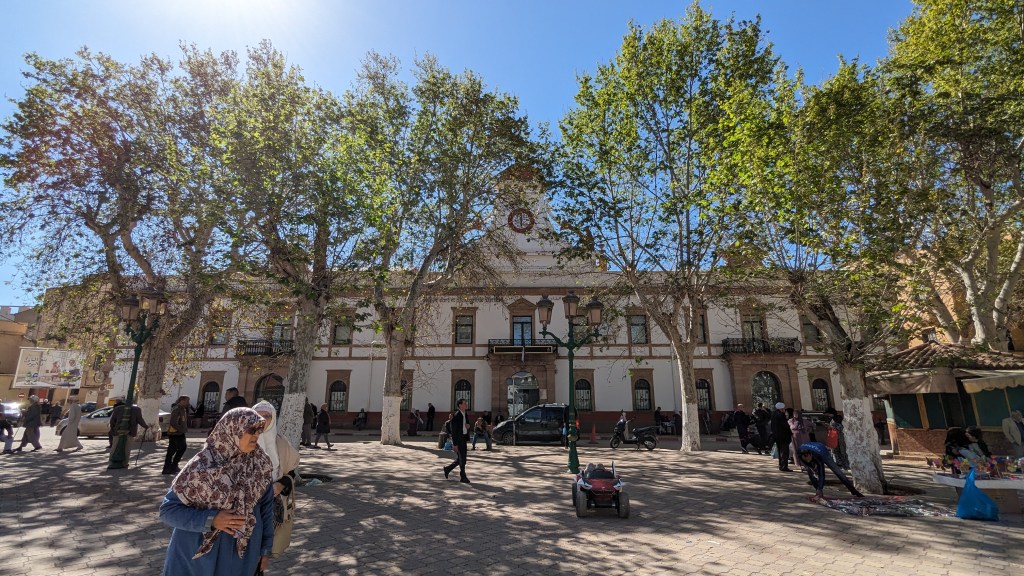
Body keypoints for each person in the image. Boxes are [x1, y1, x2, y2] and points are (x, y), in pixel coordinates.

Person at [159, 407, 273, 576]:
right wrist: (211, 520)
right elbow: (168, 511)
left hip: (242, 556)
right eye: (251, 430)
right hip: (195, 556)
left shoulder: (260, 465)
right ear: (232, 430)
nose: (256, 435)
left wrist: (265, 549)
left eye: (259, 430)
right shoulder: (201, 466)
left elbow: (266, 510)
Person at [252, 400, 300, 558]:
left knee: (264, 549)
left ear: (273, 419)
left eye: (267, 416)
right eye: (258, 415)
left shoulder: (281, 442)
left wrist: (280, 484)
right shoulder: (243, 439)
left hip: (271, 504)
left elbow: (291, 472)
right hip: (246, 506)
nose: (262, 420)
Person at [798, 442, 863, 499]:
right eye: (805, 459)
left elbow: (822, 473)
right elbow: (806, 463)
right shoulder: (799, 453)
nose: (807, 460)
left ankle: (854, 491)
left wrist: (820, 488)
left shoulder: (819, 455)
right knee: (810, 471)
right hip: (812, 449)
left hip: (822, 451)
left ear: (811, 454)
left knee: (837, 471)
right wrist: (811, 467)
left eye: (808, 458)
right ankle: (818, 492)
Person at [443, 398, 471, 484]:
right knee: (462, 459)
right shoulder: (456, 416)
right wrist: (455, 444)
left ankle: (447, 469)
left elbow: (467, 424)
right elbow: (454, 432)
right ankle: (463, 476)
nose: (466, 404)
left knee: (462, 458)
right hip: (458, 440)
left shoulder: (465, 414)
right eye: (464, 403)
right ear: (460, 405)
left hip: (464, 438)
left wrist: (468, 426)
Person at [163, 396, 190, 474]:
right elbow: (173, 422)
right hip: (176, 433)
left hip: (179, 432)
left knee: (173, 450)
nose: (188, 403)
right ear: (182, 401)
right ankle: (170, 467)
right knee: (181, 448)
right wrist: (180, 429)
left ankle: (172, 466)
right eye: (187, 401)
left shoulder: (183, 409)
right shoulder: (177, 409)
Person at [770, 402, 793, 472]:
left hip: (777, 436)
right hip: (784, 436)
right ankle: (784, 466)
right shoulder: (781, 416)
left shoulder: (773, 415)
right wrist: (790, 433)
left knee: (780, 451)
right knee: (784, 452)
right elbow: (785, 426)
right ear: (781, 409)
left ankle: (781, 465)